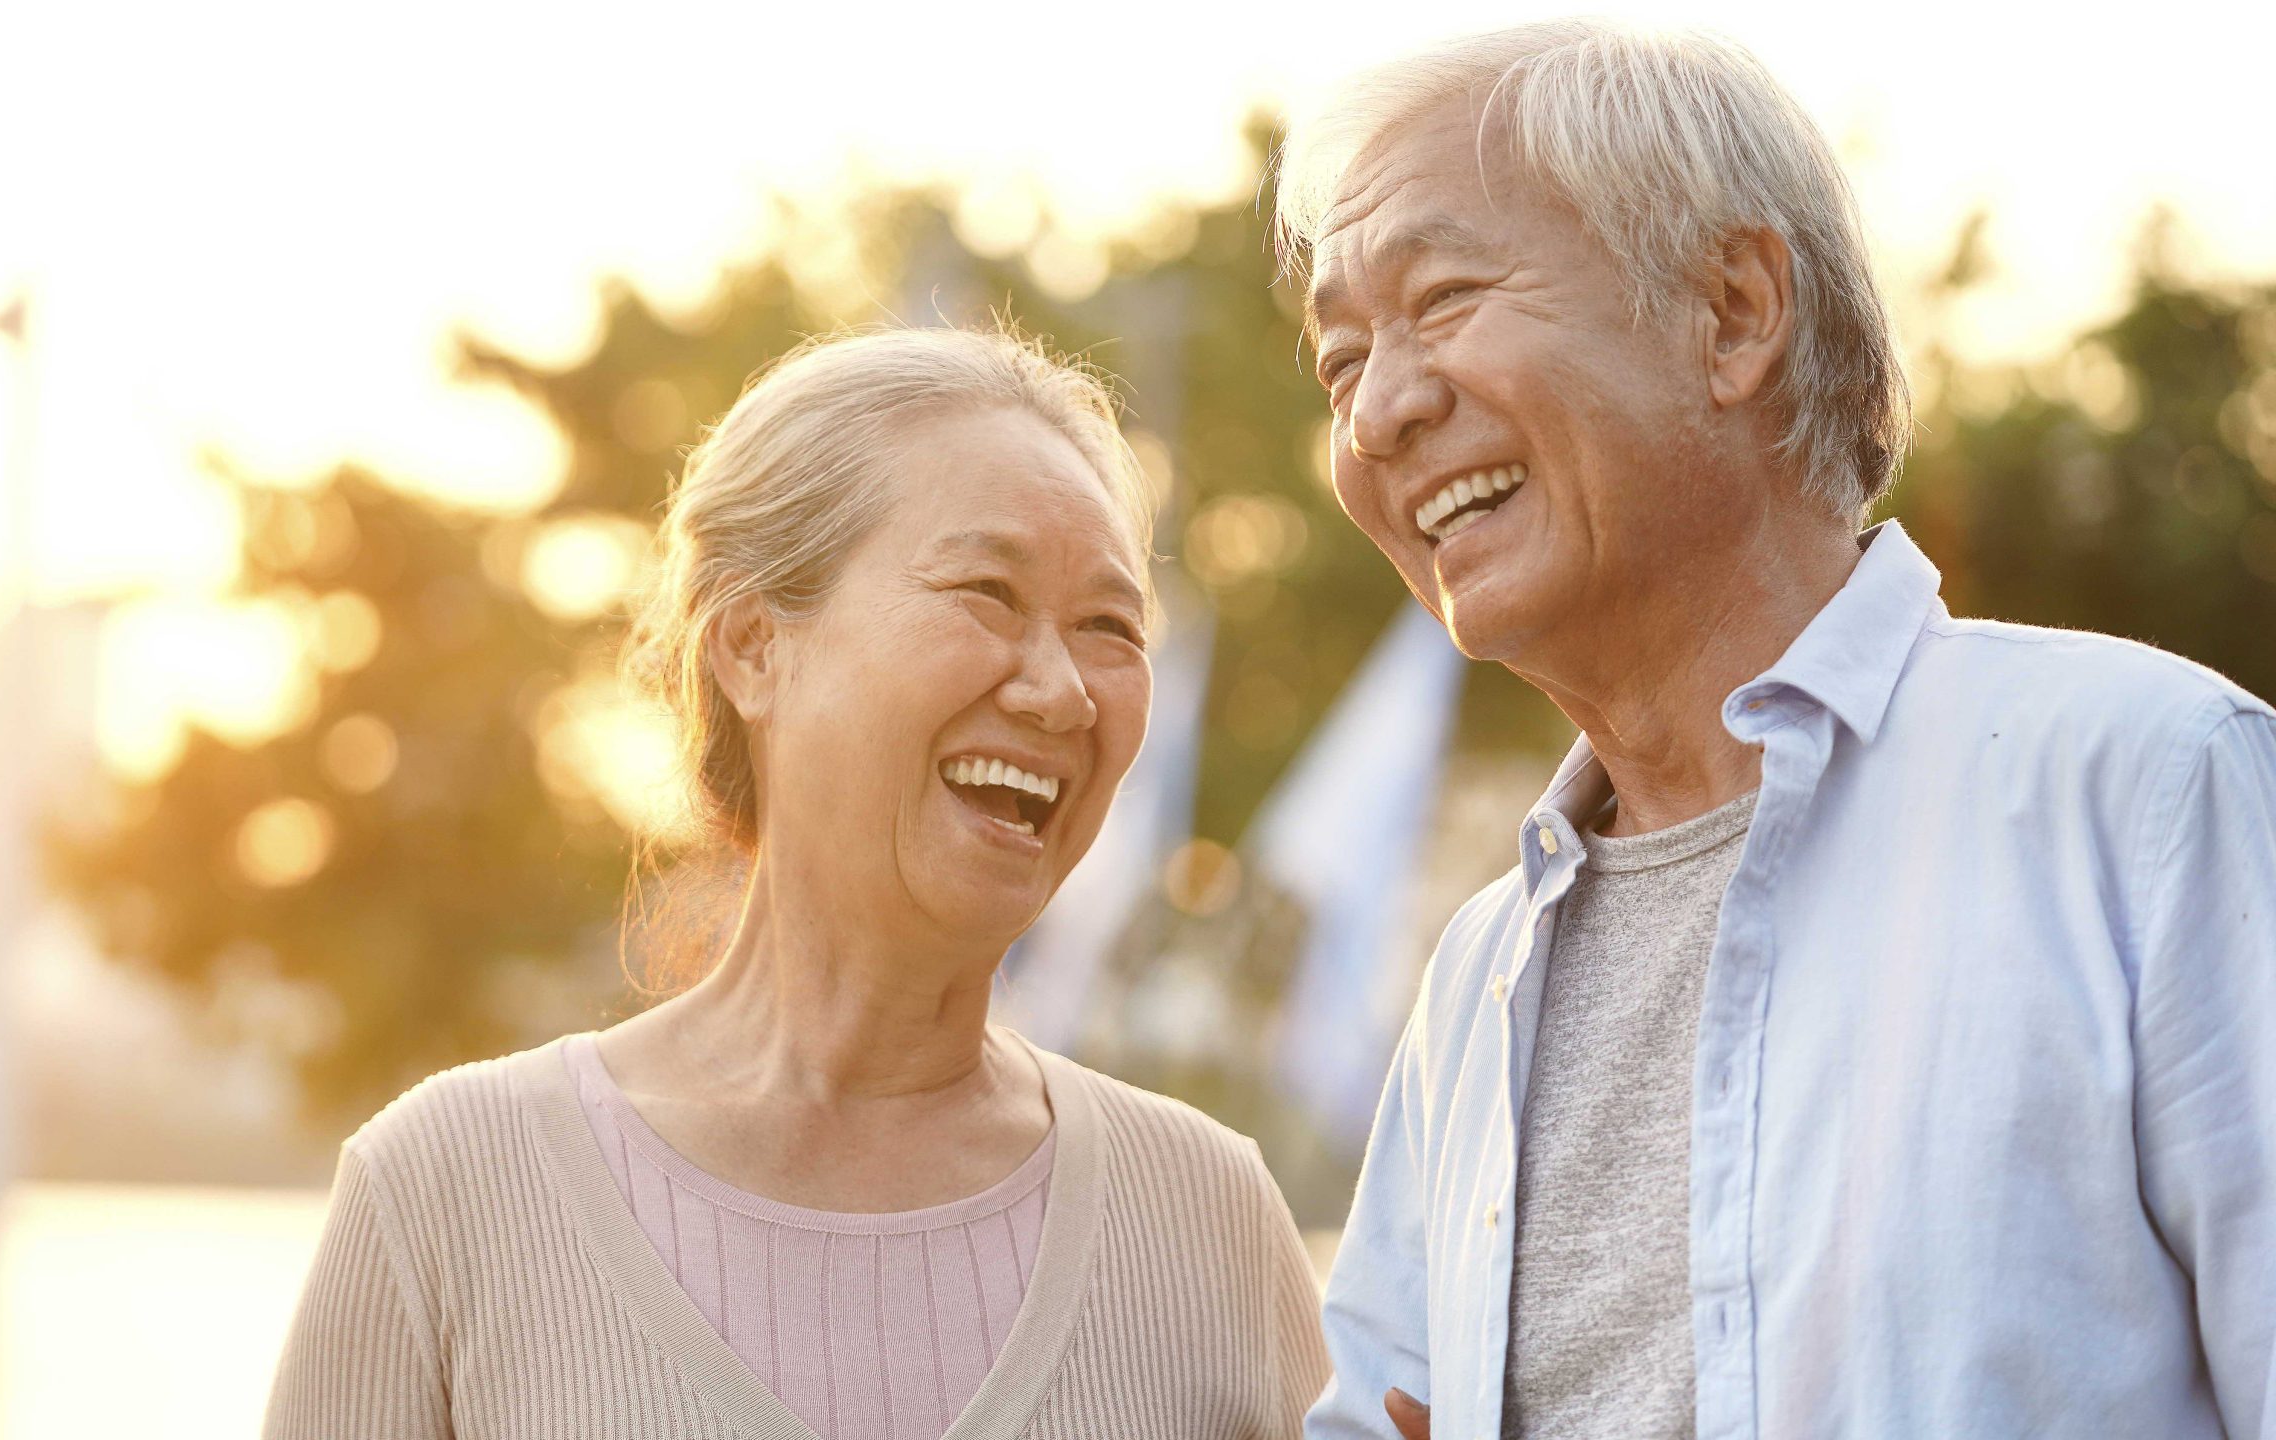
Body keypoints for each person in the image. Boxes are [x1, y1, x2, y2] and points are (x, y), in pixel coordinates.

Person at [1276, 20, 2276, 1440]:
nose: (1377, 411)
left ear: (1734, 311)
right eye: (1339, 360)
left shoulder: (2151, 786)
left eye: (1440, 299)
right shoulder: (1476, 976)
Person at [261, 326, 1328, 1440]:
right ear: (753, 645)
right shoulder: (445, 1193)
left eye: (1109, 626)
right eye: (987, 593)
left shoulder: (1210, 1223)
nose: (1061, 691)